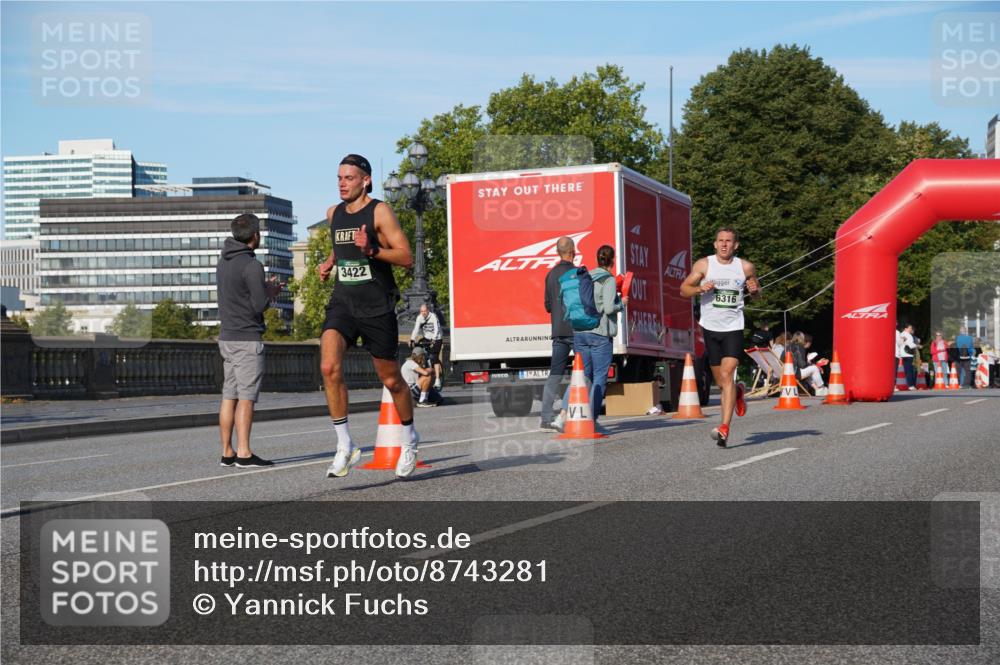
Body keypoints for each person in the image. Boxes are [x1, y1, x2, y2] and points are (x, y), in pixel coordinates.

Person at [318, 154, 419, 479]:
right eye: (338, 178)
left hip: (377, 306)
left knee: (391, 381)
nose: (342, 183)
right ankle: (344, 445)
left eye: (349, 178)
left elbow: (406, 257)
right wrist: (330, 261)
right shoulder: (333, 213)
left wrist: (372, 251)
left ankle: (408, 439)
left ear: (366, 181)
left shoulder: (380, 211)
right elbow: (341, 241)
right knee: (329, 366)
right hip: (343, 303)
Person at [680, 227, 760, 447]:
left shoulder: (745, 267)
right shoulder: (704, 265)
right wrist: (699, 289)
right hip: (710, 328)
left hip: (733, 327)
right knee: (722, 381)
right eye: (720, 241)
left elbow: (757, 292)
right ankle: (739, 391)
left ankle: (724, 427)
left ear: (736, 245)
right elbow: (684, 289)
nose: (724, 244)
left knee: (727, 374)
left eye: (729, 241)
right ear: (715, 244)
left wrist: (754, 291)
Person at [216, 213, 283, 468]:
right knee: (246, 397)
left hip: (227, 337)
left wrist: (260, 289)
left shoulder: (223, 261)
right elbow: (258, 305)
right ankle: (244, 453)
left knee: (228, 395)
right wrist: (271, 292)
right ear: (255, 235)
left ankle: (227, 452)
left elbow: (237, 294)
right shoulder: (252, 265)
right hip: (247, 338)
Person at [553, 244, 626, 433]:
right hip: (600, 334)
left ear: (597, 259)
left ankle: (562, 416)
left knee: (582, 376)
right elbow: (609, 308)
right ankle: (591, 420)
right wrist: (622, 304)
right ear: (612, 260)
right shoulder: (607, 279)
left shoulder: (584, 276)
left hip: (580, 332)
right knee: (599, 378)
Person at [540, 236, 578, 430]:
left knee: (554, 374)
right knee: (582, 372)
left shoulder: (550, 275)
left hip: (558, 331)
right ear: (573, 251)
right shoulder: (578, 273)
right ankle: (569, 412)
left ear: (557, 252)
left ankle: (545, 417)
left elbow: (547, 306)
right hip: (577, 329)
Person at [410, 303, 443, 390]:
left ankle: (437, 379)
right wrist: (412, 339)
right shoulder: (419, 317)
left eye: (425, 311)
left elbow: (436, 329)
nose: (423, 313)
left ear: (428, 311)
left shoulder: (433, 316)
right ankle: (421, 367)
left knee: (434, 357)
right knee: (417, 350)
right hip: (426, 338)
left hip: (437, 338)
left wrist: (434, 339)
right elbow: (416, 329)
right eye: (422, 311)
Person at [786, 332, 828, 396]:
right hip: (794, 373)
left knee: (809, 371)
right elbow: (802, 365)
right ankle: (822, 388)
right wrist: (808, 361)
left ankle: (817, 389)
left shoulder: (788, 346)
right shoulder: (800, 347)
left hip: (785, 372)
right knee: (814, 368)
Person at [896, 323, 918, 389]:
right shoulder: (907, 334)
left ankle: (908, 384)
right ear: (906, 328)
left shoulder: (902, 334)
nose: (911, 329)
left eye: (911, 328)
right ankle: (910, 385)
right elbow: (910, 344)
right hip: (908, 354)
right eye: (910, 328)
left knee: (907, 370)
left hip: (904, 353)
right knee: (909, 370)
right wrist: (916, 345)